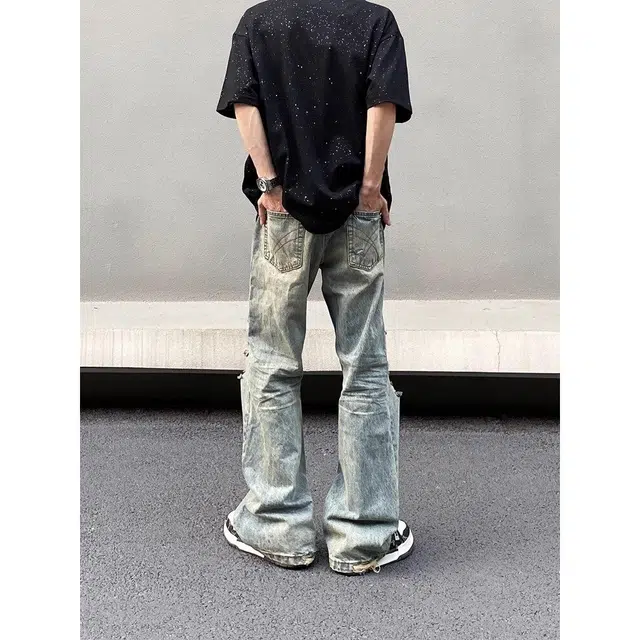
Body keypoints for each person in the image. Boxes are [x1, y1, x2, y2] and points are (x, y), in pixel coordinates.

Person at [216, 0, 413, 575]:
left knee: (273, 363)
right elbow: (383, 105)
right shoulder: (375, 22)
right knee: (365, 366)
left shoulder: (259, 22)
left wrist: (270, 186)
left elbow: (245, 105)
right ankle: (363, 534)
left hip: (284, 216)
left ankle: (278, 525)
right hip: (357, 213)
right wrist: (370, 190)